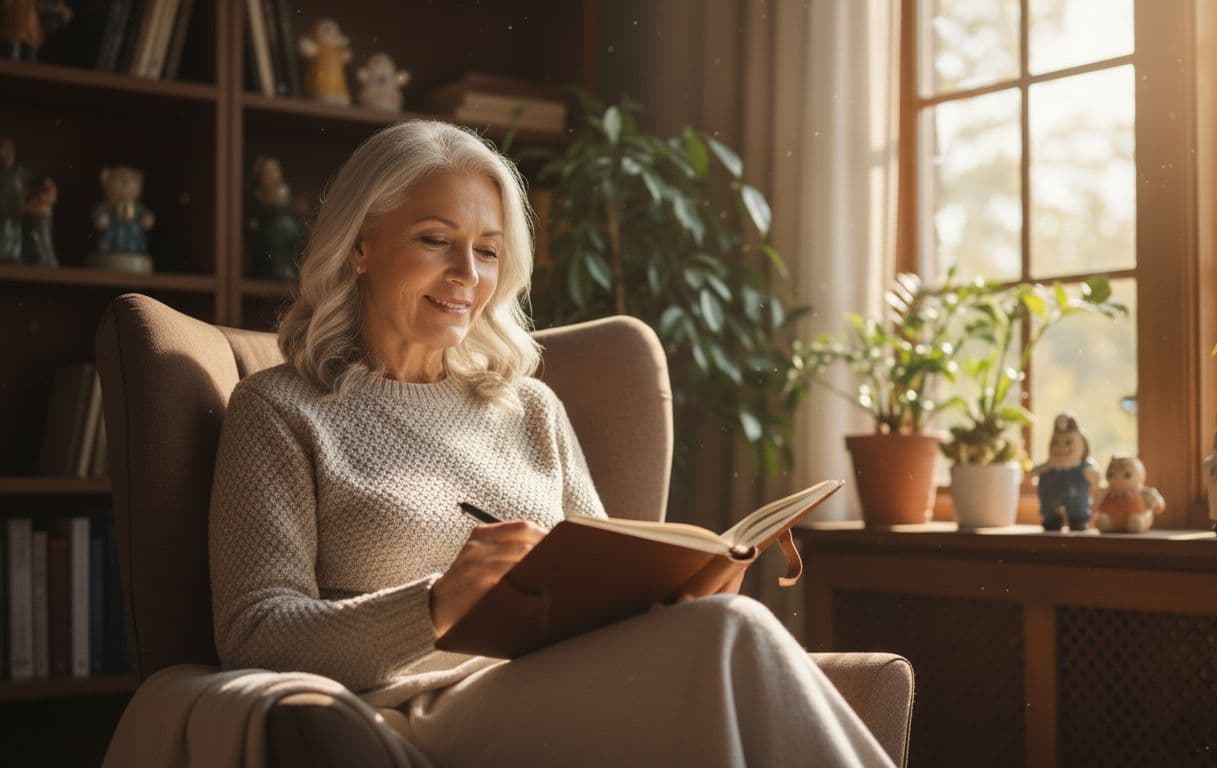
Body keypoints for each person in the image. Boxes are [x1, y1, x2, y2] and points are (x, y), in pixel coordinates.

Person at [208, 119, 894, 767]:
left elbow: (600, 584)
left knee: (724, 620)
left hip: (561, 686)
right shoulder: (281, 410)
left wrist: (675, 596)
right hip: (407, 709)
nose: (467, 277)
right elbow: (254, 630)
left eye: (486, 250)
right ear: (360, 244)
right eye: (433, 239)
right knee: (732, 634)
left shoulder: (530, 408)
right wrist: (437, 603)